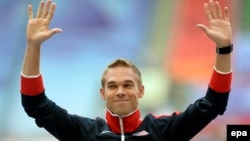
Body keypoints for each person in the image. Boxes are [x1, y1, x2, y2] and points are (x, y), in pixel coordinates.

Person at [20, 0, 233, 140]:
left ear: (141, 90)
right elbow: (35, 104)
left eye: (127, 84)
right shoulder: (83, 132)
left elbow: (214, 104)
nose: (120, 90)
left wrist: (224, 50)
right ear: (102, 93)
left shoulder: (165, 130)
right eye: (112, 86)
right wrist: (33, 46)